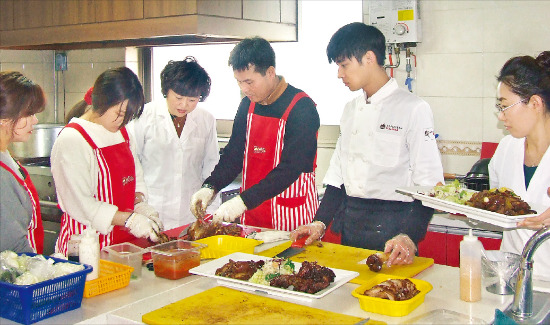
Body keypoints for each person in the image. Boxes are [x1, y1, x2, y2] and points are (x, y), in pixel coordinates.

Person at [291, 23, 444, 267]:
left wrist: (410, 236)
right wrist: (319, 223)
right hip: (352, 224)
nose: (340, 74)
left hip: (395, 231)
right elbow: (338, 176)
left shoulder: (413, 108)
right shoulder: (351, 109)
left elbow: (429, 184)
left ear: (369, 58)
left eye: (344, 65)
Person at [190, 37, 320, 231]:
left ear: (270, 73)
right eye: (239, 82)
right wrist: (210, 186)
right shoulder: (247, 106)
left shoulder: (302, 108)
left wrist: (242, 201)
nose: (244, 89)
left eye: (249, 82)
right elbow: (234, 156)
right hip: (253, 214)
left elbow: (292, 167)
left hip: (291, 217)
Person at [51, 67, 163, 255]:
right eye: (119, 114)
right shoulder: (73, 139)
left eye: (128, 116)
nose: (122, 121)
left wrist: (140, 206)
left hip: (123, 246)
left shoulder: (123, 134)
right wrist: (130, 220)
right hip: (86, 248)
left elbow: (136, 179)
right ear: (101, 101)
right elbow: (80, 204)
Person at [128, 57, 220, 230]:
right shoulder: (144, 116)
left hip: (190, 211)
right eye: (178, 97)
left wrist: (211, 208)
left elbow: (211, 166)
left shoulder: (206, 119)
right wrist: (137, 204)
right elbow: (132, 163)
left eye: (192, 100)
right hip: (152, 209)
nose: (184, 105)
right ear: (166, 91)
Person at [489, 51, 550, 281]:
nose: (501, 117)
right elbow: (495, 205)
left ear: (535, 103)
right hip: (513, 280)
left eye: (504, 106)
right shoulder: (506, 148)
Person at [0, 71, 45, 253]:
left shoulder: (6, 155)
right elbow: (11, 245)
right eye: (29, 113)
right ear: (4, 119)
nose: (35, 120)